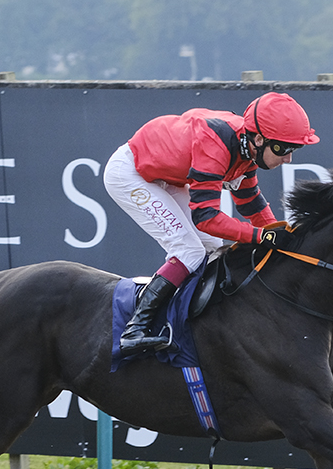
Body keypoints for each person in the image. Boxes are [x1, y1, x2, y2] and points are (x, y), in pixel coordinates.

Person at [103, 91, 320, 354]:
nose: (288, 159)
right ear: (259, 139)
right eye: (282, 149)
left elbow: (250, 202)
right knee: (190, 251)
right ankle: (135, 329)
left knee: (212, 248)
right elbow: (206, 218)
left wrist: (279, 232)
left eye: (293, 150)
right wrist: (261, 237)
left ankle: (184, 323)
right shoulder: (216, 143)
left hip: (167, 176)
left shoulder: (247, 146)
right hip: (131, 174)